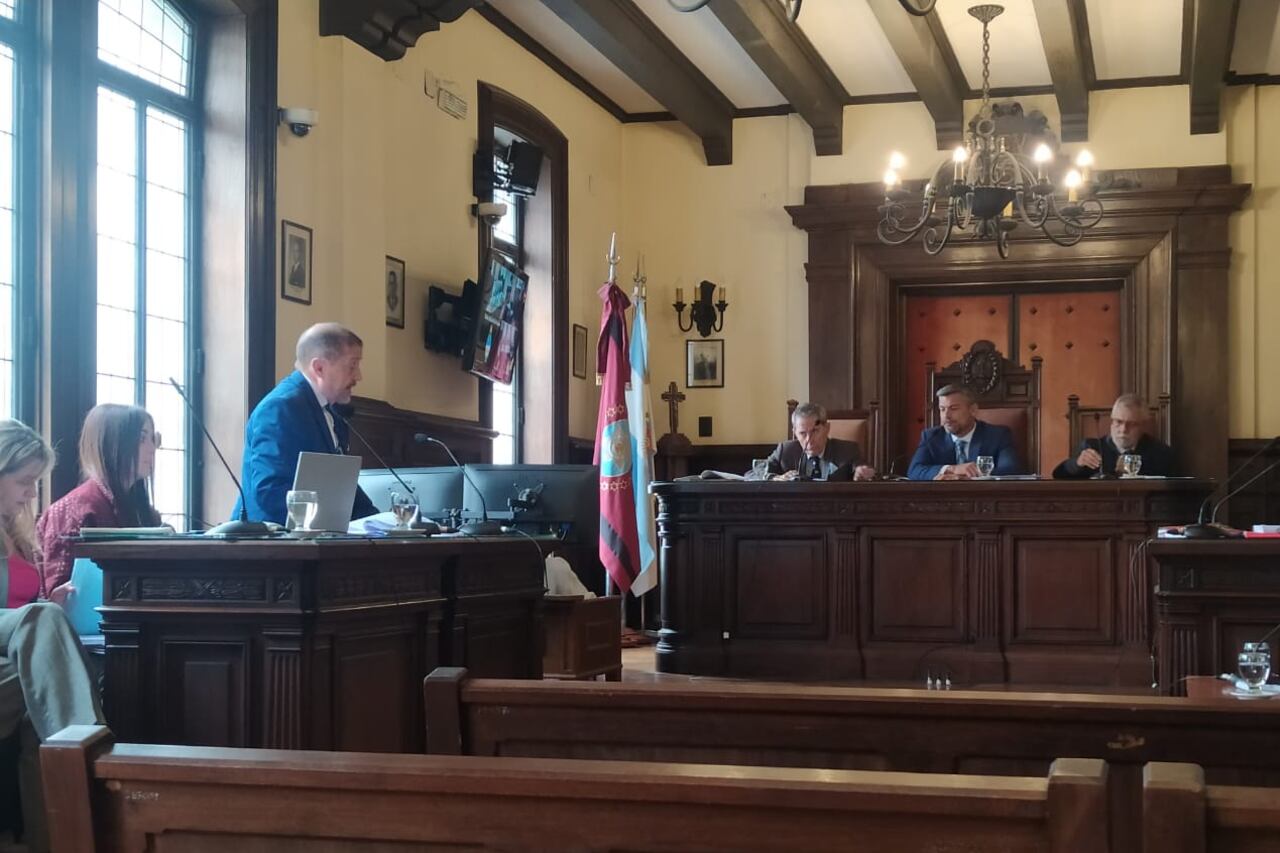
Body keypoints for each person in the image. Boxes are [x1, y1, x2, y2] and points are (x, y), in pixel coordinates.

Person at [0, 420, 105, 853]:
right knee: (40, 622)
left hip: (14, 649)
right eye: (24, 481)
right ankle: (92, 757)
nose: (31, 493)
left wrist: (49, 601)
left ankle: (57, 841)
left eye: (35, 482)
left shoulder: (17, 533)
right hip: (15, 633)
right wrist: (38, 611)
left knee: (41, 699)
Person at [236, 323, 377, 525]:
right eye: (352, 365)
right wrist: (329, 525)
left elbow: (341, 485)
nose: (358, 376)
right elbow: (269, 492)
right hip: (272, 539)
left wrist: (383, 523)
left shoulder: (332, 410)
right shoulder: (279, 409)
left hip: (315, 536)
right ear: (319, 368)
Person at [37, 404, 161, 598]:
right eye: (141, 439)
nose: (152, 449)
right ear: (113, 443)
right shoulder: (74, 509)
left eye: (153, 439)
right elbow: (59, 594)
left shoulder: (144, 512)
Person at [908, 384, 1022, 480]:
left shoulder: (998, 435)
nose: (946, 416)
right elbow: (914, 471)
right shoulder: (931, 437)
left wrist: (969, 476)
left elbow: (1010, 470)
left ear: (973, 410)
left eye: (953, 408)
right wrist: (951, 469)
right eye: (942, 409)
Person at [1053, 394, 1176, 479]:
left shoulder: (1160, 453)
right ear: (1111, 421)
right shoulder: (1092, 447)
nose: (1123, 429)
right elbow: (1059, 475)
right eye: (1118, 422)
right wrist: (1077, 463)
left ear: (1143, 426)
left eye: (1131, 424)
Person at [757, 402, 876, 481]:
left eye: (815, 431)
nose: (809, 439)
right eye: (803, 433)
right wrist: (776, 478)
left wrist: (863, 473)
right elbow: (754, 473)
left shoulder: (847, 450)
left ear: (827, 428)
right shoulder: (786, 451)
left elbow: (864, 469)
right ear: (795, 433)